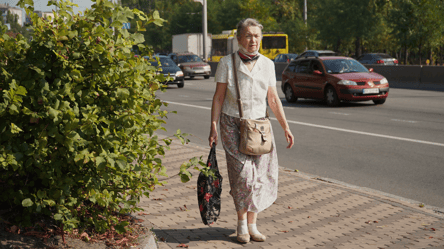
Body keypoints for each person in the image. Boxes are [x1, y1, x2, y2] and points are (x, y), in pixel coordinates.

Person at [208, 18, 294, 243]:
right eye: (248, 35)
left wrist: (285, 127)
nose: (253, 40)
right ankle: (241, 225)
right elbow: (218, 97)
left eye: (256, 35)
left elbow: (273, 99)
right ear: (238, 38)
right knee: (243, 177)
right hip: (232, 124)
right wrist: (213, 125)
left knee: (259, 178)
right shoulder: (227, 63)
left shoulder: (267, 64)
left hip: (259, 127)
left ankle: (253, 225)